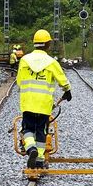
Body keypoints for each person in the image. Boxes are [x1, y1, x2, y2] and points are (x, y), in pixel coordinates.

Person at [17, 30, 72, 168]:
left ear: (34, 43)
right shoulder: (51, 62)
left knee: (27, 129)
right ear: (47, 44)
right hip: (44, 104)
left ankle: (31, 149)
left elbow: (19, 81)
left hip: (28, 102)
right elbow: (62, 79)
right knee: (41, 130)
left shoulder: (24, 60)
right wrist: (67, 90)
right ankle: (40, 158)